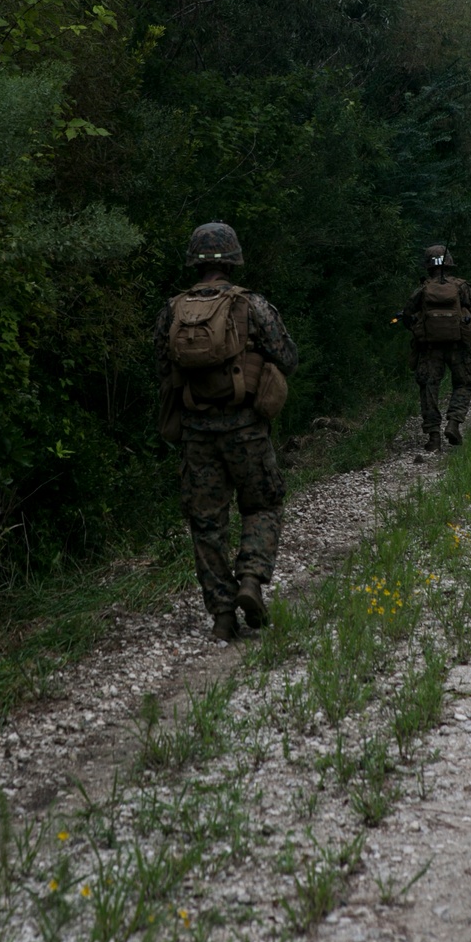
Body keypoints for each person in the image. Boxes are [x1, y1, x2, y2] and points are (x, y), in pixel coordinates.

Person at [154, 222, 297, 642]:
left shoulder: (172, 311)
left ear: (195, 260)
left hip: (197, 433)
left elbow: (163, 370)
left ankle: (221, 615)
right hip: (247, 429)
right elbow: (287, 357)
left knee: (206, 524)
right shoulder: (251, 305)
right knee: (264, 504)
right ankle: (251, 578)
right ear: (232, 258)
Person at [402, 245, 471, 452]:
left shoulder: (423, 289)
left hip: (429, 349)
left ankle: (433, 436)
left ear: (428, 265)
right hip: (457, 347)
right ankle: (454, 423)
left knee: (429, 387)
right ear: (450, 263)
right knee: (464, 383)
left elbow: (408, 314)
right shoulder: (461, 286)